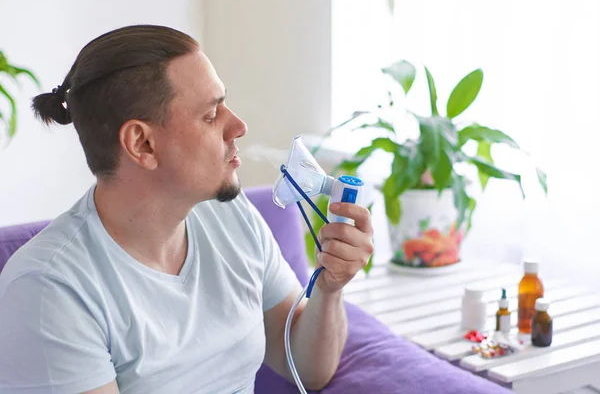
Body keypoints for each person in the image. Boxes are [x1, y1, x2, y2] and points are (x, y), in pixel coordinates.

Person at [0, 25, 374, 394]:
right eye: (211, 116)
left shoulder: (229, 214)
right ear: (142, 143)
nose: (239, 126)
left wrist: (329, 288)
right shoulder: (50, 291)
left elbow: (308, 369)